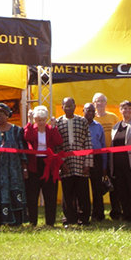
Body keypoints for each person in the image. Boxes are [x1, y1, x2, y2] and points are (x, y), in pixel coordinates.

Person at [23, 105, 63, 226]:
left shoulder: (50, 129)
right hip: (34, 164)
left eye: (43, 120)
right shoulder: (31, 128)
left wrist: (54, 127)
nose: (40, 122)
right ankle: (32, 222)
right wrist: (29, 122)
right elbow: (27, 137)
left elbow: (58, 141)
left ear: (46, 119)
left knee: (50, 194)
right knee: (32, 195)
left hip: (48, 164)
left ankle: (50, 222)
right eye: (38, 120)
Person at [56, 97, 92, 226]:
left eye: (71, 106)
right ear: (62, 107)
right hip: (66, 163)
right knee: (67, 193)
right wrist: (62, 163)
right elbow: (57, 146)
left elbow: (88, 143)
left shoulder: (82, 121)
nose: (68, 108)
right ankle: (70, 218)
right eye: (66, 106)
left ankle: (84, 218)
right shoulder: (58, 122)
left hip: (81, 163)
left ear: (75, 106)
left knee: (83, 192)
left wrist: (88, 163)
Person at [92, 92, 122, 220]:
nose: (99, 103)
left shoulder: (113, 117)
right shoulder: (91, 118)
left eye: (102, 101)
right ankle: (98, 212)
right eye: (97, 101)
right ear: (93, 104)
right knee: (97, 185)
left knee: (114, 184)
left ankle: (116, 211)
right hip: (97, 156)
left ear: (106, 103)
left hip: (112, 155)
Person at [83, 103, 107, 222]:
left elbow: (103, 146)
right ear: (83, 111)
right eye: (88, 111)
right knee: (82, 188)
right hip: (82, 158)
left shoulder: (98, 126)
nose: (90, 113)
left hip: (96, 158)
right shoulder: (79, 125)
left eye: (93, 111)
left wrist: (104, 166)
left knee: (97, 188)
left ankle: (98, 214)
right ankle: (84, 213)